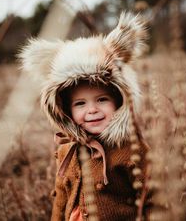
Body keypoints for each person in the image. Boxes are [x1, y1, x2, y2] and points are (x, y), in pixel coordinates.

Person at [20, 12, 150, 221]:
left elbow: (154, 198)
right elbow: (61, 195)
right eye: (80, 103)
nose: (92, 110)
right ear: (64, 109)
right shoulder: (66, 150)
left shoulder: (131, 150)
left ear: (119, 100)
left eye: (101, 100)